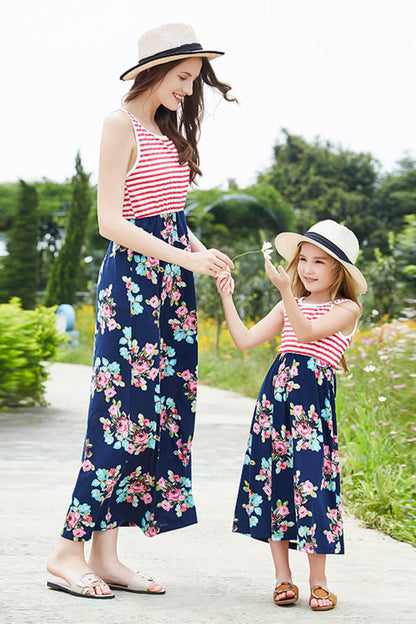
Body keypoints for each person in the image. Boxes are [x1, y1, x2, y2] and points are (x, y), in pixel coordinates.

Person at [47, 22, 235, 599]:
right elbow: (112, 222)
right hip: (131, 286)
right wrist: (184, 255)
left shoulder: (165, 130)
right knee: (120, 415)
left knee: (155, 417)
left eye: (193, 80)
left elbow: (167, 214)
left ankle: (107, 556)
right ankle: (66, 553)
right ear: (155, 71)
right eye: (182, 77)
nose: (188, 89)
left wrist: (204, 254)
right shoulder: (118, 124)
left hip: (172, 289)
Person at [216, 219, 367, 611]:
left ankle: (319, 582)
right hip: (275, 399)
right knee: (274, 483)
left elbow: (307, 335)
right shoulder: (290, 301)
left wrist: (284, 291)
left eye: (319, 262)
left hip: (312, 402)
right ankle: (283, 579)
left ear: (340, 270)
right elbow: (245, 340)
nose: (307, 269)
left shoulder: (347, 308)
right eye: (303, 260)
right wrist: (227, 297)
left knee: (312, 486)